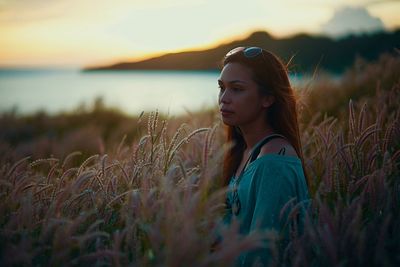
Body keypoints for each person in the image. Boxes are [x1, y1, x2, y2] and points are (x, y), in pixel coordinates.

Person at [215, 46, 310, 266]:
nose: (224, 98)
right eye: (222, 87)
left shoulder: (273, 163)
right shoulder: (246, 151)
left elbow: (264, 255)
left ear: (267, 98)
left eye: (237, 89)